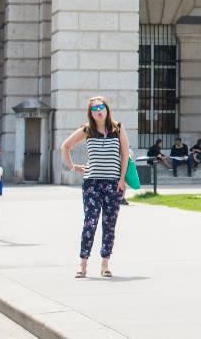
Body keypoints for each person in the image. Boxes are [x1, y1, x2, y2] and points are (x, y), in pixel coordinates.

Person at [60, 96, 130, 278]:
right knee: (90, 222)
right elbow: (65, 146)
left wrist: (122, 180)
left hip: (113, 183)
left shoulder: (118, 128)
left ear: (107, 109)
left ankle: (105, 264)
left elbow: (124, 156)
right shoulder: (87, 130)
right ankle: (82, 264)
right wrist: (73, 166)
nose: (99, 111)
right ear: (90, 112)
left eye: (101, 107)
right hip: (92, 184)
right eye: (95, 108)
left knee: (109, 224)